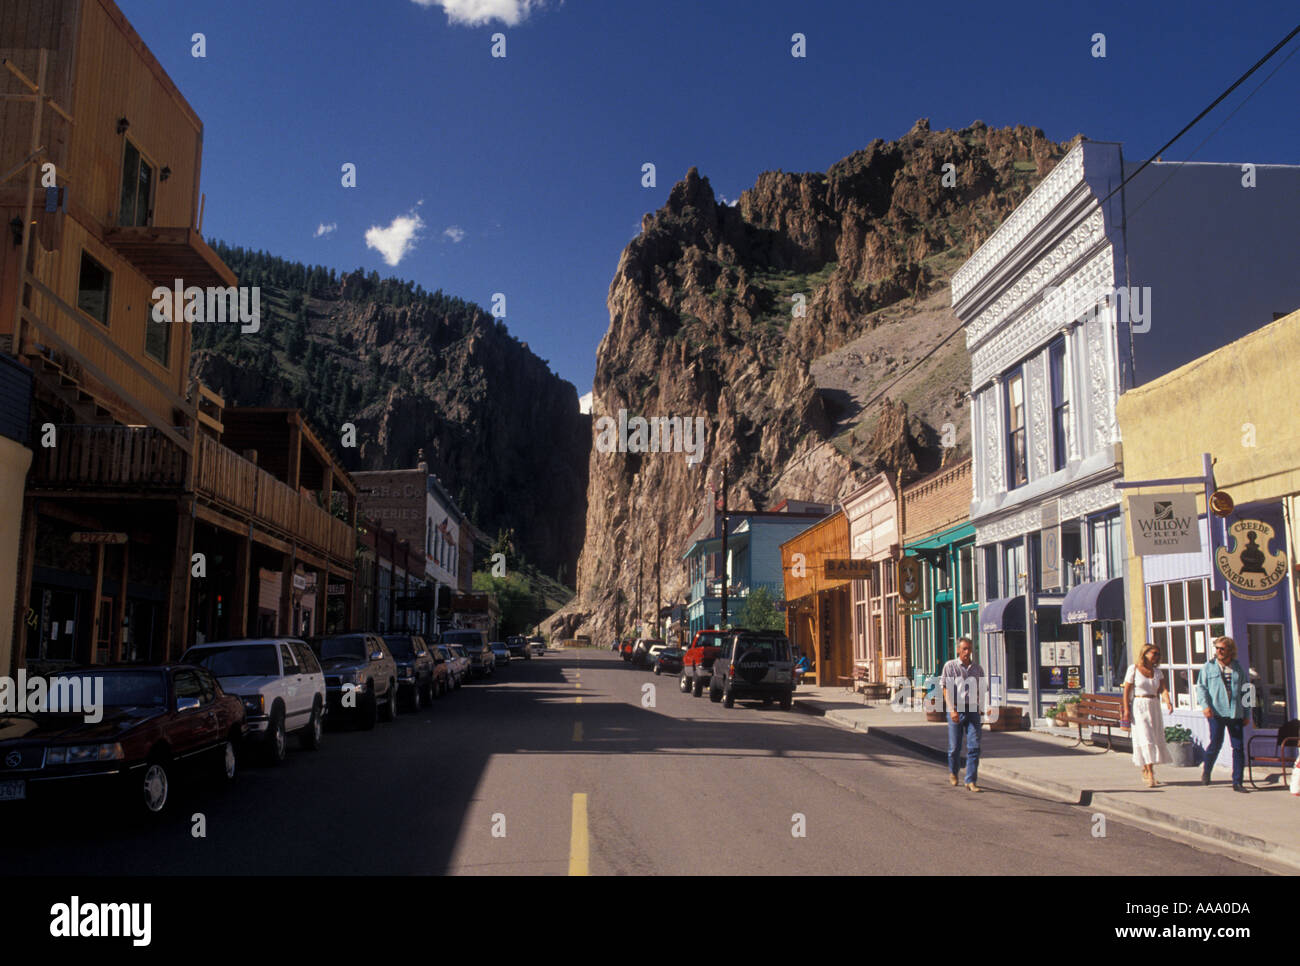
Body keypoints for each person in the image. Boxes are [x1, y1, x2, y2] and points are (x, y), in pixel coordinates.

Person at [1196, 636, 1251, 792]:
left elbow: (1247, 690)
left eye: (1222, 649)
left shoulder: (1238, 668)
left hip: (1236, 713)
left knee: (1238, 747)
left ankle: (1237, 782)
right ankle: (1207, 771)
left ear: (1230, 651)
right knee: (1215, 744)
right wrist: (1205, 706)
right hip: (1216, 712)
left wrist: (1248, 714)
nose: (1218, 651)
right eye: (1217, 648)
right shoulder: (1209, 667)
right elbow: (1201, 688)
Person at [1121, 644, 1174, 787]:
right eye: (1154, 653)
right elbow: (1126, 691)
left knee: (1154, 736)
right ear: (1145, 653)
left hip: (1154, 705)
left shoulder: (1157, 672)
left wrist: (1167, 701)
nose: (1156, 656)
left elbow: (1162, 688)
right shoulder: (1134, 669)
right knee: (1145, 737)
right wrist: (1126, 710)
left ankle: (1146, 768)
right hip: (1139, 705)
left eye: (1158, 654)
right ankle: (1150, 773)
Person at [941, 637, 985, 792]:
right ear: (958, 650)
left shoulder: (977, 669)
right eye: (964, 649)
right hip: (956, 709)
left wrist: (982, 708)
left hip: (972, 709)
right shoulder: (950, 666)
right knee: (955, 748)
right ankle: (953, 772)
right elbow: (945, 690)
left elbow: (980, 689)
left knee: (974, 746)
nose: (967, 652)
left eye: (969, 649)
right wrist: (952, 709)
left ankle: (971, 780)